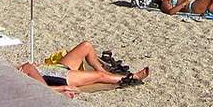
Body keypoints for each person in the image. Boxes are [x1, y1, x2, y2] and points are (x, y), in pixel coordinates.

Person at [18, 41, 148, 96]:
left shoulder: (22, 71)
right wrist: (63, 88)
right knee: (98, 76)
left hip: (57, 67)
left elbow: (30, 70)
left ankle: (105, 72)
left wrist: (37, 66)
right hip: (61, 77)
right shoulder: (26, 69)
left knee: (86, 46)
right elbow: (44, 88)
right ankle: (131, 77)